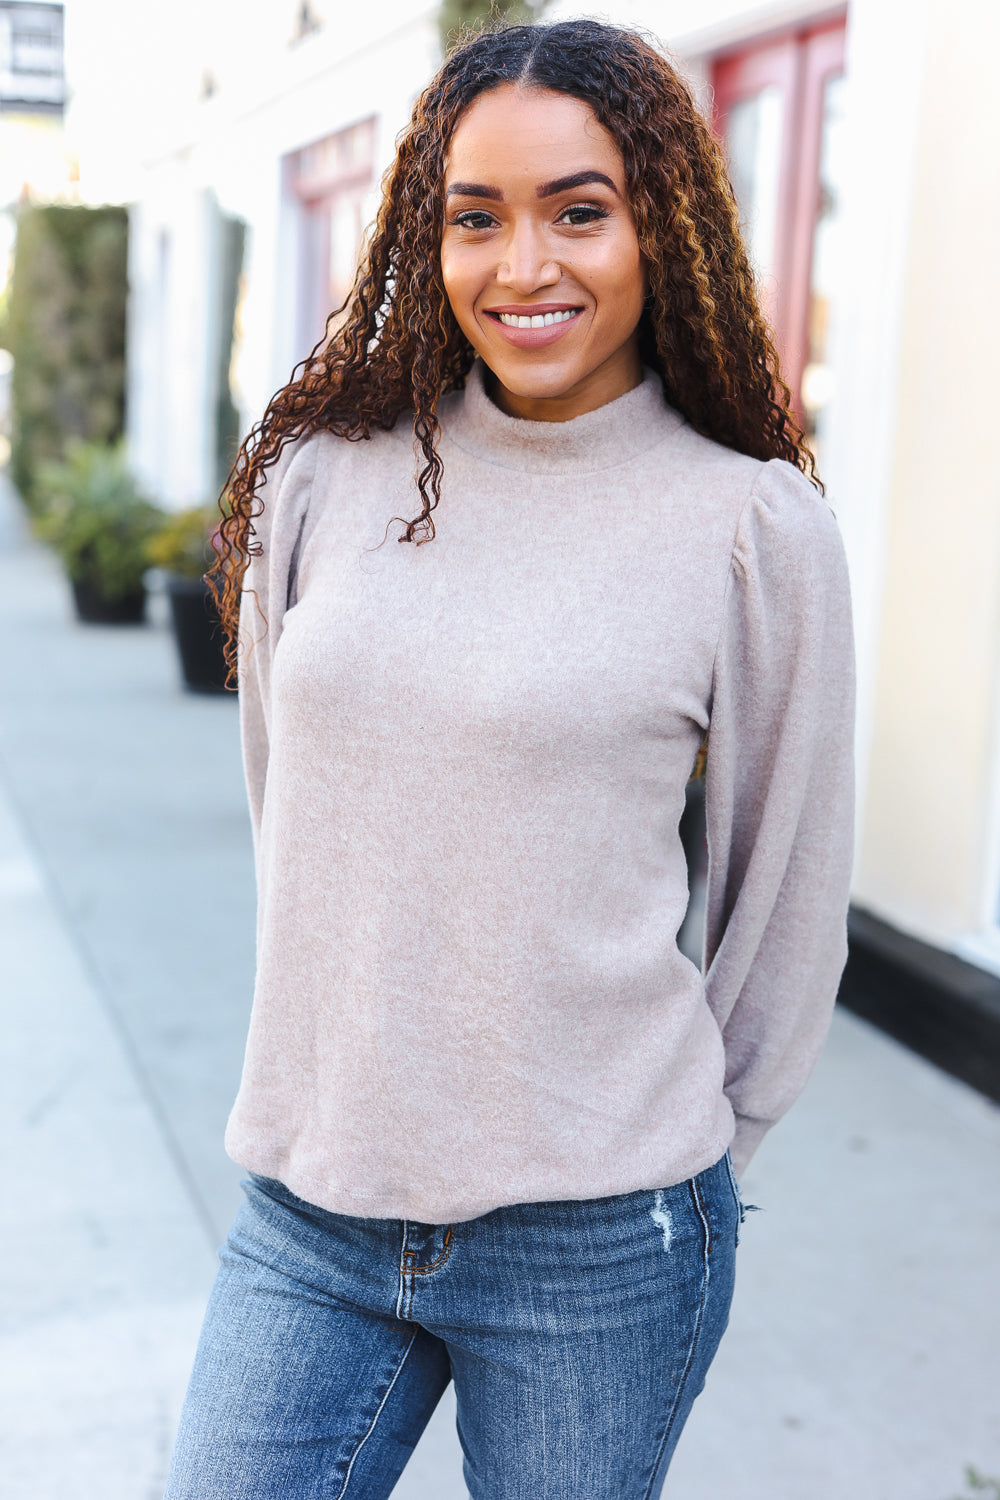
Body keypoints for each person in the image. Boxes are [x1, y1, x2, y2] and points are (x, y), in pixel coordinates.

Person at [164, 19, 855, 1500]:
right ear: (429, 233)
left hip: (599, 1236)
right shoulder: (323, 481)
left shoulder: (750, 527)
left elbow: (782, 891)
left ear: (658, 226)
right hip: (313, 1201)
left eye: (578, 211)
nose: (522, 265)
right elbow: (291, 800)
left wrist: (685, 1148)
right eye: (475, 218)